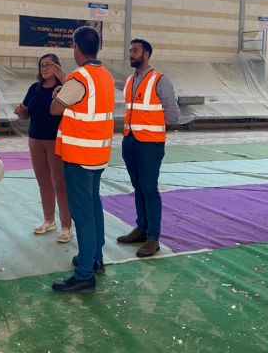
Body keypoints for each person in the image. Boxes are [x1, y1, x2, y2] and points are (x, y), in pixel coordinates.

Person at [49, 26, 115, 294]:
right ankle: (94, 257)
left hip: (79, 155)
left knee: (83, 213)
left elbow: (55, 109)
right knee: (93, 206)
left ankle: (85, 273)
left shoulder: (80, 78)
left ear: (76, 48)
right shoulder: (105, 76)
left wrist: (57, 94)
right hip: (97, 154)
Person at [116, 39, 179, 257]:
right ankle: (141, 229)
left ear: (147, 54)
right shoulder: (129, 81)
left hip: (150, 143)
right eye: (130, 51)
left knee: (149, 188)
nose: (131, 54)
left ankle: (153, 237)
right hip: (130, 140)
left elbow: (172, 112)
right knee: (138, 187)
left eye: (135, 51)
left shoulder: (160, 80)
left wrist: (158, 134)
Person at [14, 54, 72, 243]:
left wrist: (63, 80)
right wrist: (21, 112)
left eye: (49, 65)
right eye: (42, 65)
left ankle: (66, 226)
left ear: (58, 66)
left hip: (56, 140)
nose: (45, 68)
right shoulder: (34, 88)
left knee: (60, 183)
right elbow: (26, 116)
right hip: (35, 140)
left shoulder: (64, 88)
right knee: (44, 183)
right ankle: (49, 220)